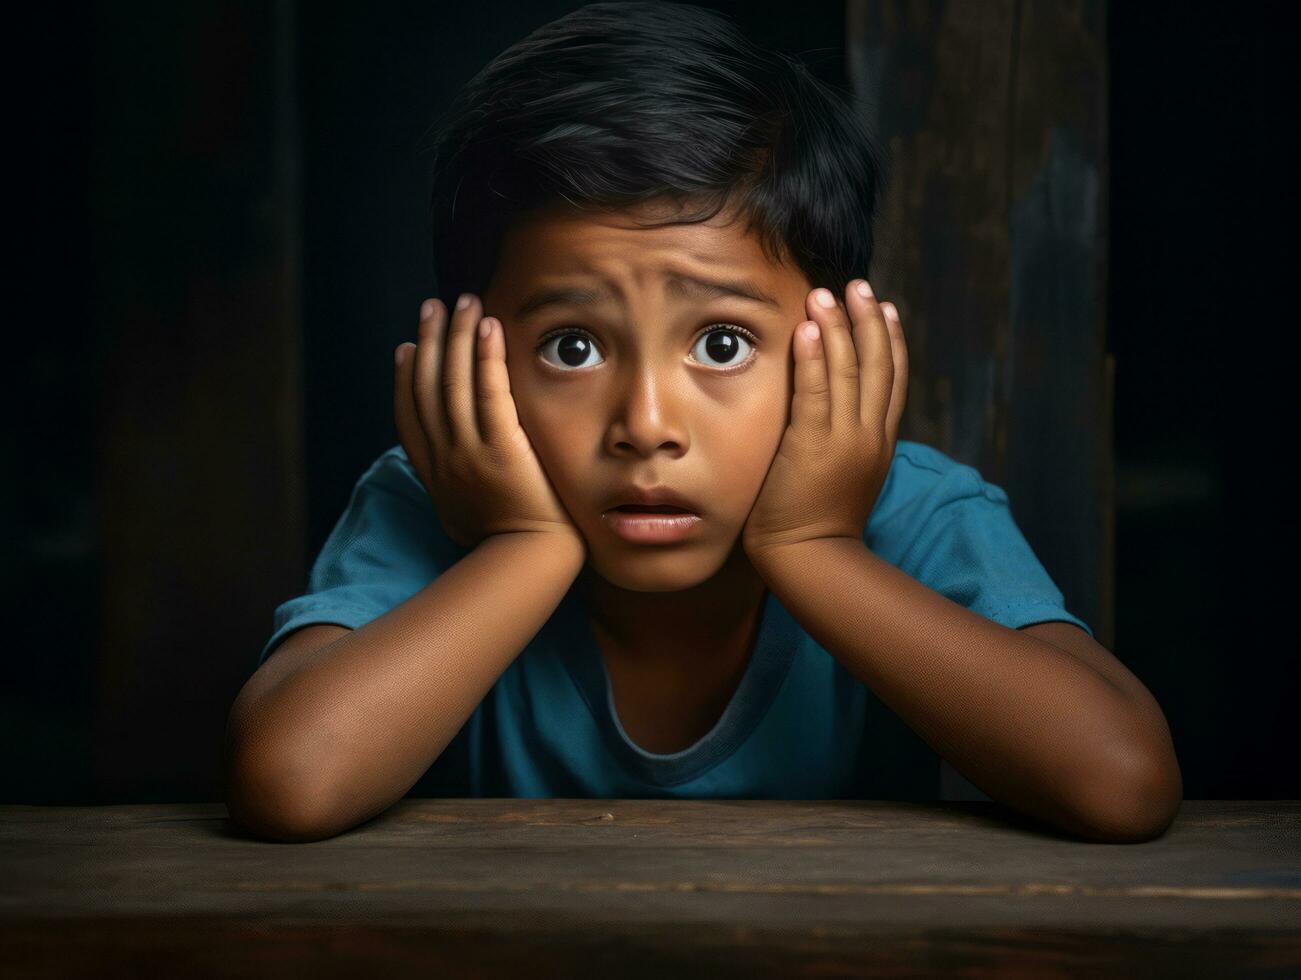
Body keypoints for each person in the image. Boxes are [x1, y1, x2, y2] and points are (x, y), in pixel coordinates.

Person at [225, 2, 1180, 843]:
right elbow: (290, 782)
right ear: (470, 355)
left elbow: (1122, 782)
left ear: (835, 340)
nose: (645, 425)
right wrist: (518, 546)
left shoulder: (909, 511)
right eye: (571, 347)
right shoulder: (429, 498)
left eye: (721, 344)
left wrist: (814, 546)